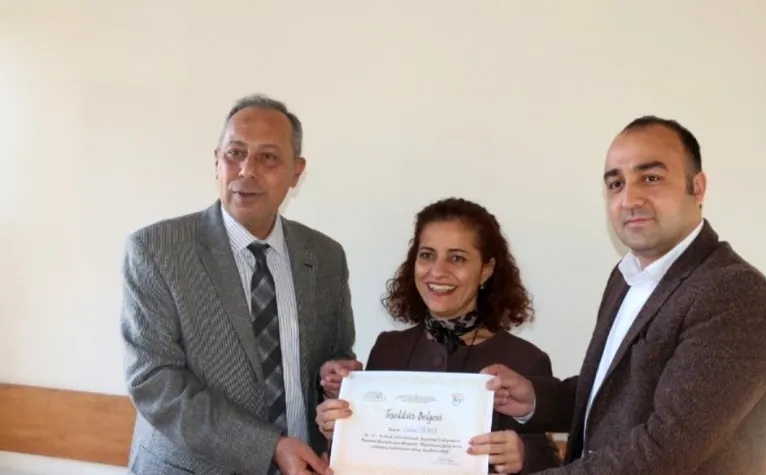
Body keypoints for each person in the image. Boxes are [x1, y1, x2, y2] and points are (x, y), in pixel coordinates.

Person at [482, 116, 766, 474]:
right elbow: (615, 391)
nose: (630, 199)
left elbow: (664, 450)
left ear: (698, 188)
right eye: (616, 184)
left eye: (651, 178)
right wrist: (536, 399)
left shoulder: (733, 294)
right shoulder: (626, 276)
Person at [120, 94, 361, 475]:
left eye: (268, 157)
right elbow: (155, 383)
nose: (247, 170)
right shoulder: (156, 250)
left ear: (296, 172)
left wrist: (334, 378)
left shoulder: (326, 257)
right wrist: (270, 447)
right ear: (217, 160)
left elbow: (336, 352)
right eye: (235, 153)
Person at [314, 198, 562, 474]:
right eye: (427, 255)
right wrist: (340, 429)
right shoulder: (388, 348)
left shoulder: (525, 359)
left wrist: (524, 455)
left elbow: (550, 460)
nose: (437, 271)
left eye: (457, 258)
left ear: (486, 270)